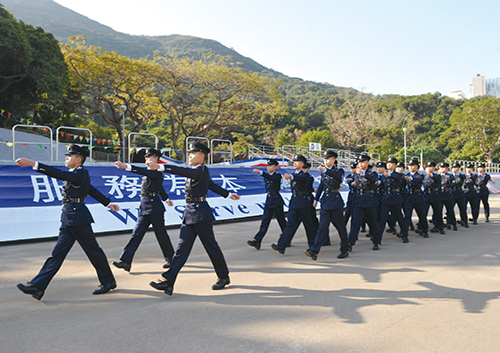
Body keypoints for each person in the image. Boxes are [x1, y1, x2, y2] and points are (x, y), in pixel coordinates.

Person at [15, 144, 120, 300]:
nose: (66, 158)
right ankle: (37, 286)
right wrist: (107, 203)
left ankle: (108, 282)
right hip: (69, 218)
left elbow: (59, 174)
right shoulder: (77, 174)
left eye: (69, 156)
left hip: (78, 218)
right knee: (57, 254)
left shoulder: (80, 173)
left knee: (93, 251)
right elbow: (90, 189)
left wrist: (33, 164)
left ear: (79, 159)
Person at [147, 142, 240, 295]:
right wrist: (228, 194)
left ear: (202, 156)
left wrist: (161, 167)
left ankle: (223, 276)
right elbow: (211, 185)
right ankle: (168, 282)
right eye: (189, 152)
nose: (189, 155)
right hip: (190, 214)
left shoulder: (201, 169)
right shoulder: (196, 172)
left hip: (201, 214)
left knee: (211, 247)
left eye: (193, 152)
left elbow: (188, 174)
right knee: (181, 250)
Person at [112, 148, 175, 272]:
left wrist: (126, 166)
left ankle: (171, 259)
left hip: (155, 208)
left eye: (150, 158)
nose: (147, 160)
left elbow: (146, 174)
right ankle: (126, 261)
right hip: (145, 208)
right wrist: (166, 198)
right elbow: (159, 188)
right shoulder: (149, 173)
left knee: (161, 234)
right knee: (136, 234)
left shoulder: (156, 173)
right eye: (146, 158)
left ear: (156, 160)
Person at [305, 150, 349, 260]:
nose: (325, 161)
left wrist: (326, 170)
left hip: (335, 202)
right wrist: (316, 198)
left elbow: (338, 178)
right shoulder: (324, 172)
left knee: (340, 227)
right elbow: (321, 186)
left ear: (334, 160)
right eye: (324, 159)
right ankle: (315, 250)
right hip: (326, 202)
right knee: (322, 227)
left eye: (328, 159)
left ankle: (344, 249)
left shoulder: (339, 170)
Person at [271, 154, 317, 254]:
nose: (295, 163)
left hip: (304, 202)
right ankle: (281, 245)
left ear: (303, 164)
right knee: (290, 224)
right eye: (294, 161)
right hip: (294, 201)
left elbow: (304, 179)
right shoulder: (294, 174)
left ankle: (313, 247)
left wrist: (292, 176)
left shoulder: (304, 175)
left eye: (298, 161)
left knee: (308, 225)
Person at [247, 159, 286, 250]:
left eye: (271, 166)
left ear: (275, 167)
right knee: (265, 221)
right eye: (267, 166)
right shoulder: (267, 176)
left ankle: (286, 239)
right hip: (269, 200)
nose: (268, 167)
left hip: (276, 200)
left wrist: (261, 172)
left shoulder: (277, 176)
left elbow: (272, 178)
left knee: (281, 221)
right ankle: (257, 240)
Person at [347, 154, 380, 251]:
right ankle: (350, 243)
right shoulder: (356, 175)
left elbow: (373, 180)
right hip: (359, 199)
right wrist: (353, 184)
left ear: (367, 163)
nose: (361, 164)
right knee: (355, 222)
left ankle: (376, 241)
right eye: (359, 162)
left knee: (373, 222)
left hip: (370, 199)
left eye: (363, 162)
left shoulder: (372, 173)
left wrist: (363, 174)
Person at [377, 157, 409, 244]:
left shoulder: (398, 174)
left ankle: (405, 235)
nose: (389, 165)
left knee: (399, 217)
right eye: (387, 163)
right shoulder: (384, 175)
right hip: (386, 198)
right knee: (382, 218)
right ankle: (377, 239)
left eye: (391, 163)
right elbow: (381, 183)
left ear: (395, 165)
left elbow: (398, 178)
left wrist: (390, 175)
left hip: (395, 198)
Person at [403, 159, 429, 238]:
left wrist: (411, 178)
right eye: (410, 165)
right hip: (409, 197)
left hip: (418, 196)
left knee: (422, 215)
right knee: (407, 216)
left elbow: (420, 179)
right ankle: (404, 234)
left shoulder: (420, 175)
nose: (411, 167)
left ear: (417, 166)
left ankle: (424, 230)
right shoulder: (406, 175)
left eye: (413, 165)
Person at [423, 162, 445, 234]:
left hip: (435, 195)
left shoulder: (436, 176)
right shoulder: (422, 176)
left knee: (438, 212)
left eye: (431, 167)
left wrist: (431, 176)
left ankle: (440, 227)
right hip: (426, 195)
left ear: (434, 168)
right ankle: (423, 228)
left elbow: (438, 180)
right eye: (428, 167)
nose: (429, 168)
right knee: (423, 213)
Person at [438, 162, 458, 231]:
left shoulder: (449, 176)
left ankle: (453, 224)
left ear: (447, 169)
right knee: (438, 211)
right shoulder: (437, 176)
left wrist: (448, 177)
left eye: (444, 168)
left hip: (448, 194)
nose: (442, 169)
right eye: (441, 168)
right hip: (440, 194)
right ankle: (439, 226)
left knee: (450, 211)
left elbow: (453, 178)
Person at [451, 162, 468, 228]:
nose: (455, 169)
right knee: (450, 208)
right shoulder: (450, 176)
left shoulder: (461, 176)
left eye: (456, 168)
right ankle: (451, 222)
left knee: (462, 208)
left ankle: (464, 221)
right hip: (452, 192)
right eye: (453, 168)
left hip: (459, 192)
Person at [343, 161, 359, 226]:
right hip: (351, 194)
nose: (352, 170)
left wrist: (352, 181)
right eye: (351, 168)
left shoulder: (357, 176)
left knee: (354, 213)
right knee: (347, 212)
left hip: (356, 194)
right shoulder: (349, 176)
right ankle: (343, 225)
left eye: (354, 168)